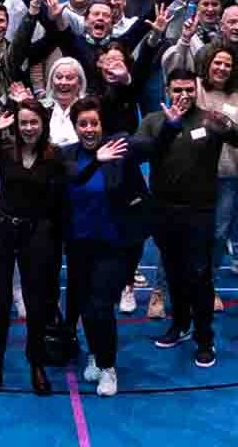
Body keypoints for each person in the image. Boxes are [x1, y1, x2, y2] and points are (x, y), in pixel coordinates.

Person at [135, 68, 238, 368]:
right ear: (167, 90)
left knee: (200, 277)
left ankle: (205, 338)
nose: (183, 95)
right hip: (163, 211)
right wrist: (167, 128)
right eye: (177, 90)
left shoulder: (210, 119)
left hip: (200, 212)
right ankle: (179, 324)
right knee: (173, 273)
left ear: (196, 89)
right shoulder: (153, 121)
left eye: (189, 89)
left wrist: (226, 124)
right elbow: (137, 152)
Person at [0, 99, 69, 397]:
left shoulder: (55, 157)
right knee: (0, 302)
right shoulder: (2, 149)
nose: (28, 128)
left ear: (43, 124)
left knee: (36, 303)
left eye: (33, 122)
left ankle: (35, 363)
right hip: (1, 230)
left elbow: (61, 201)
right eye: (23, 123)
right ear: (16, 124)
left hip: (37, 231)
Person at [63, 98, 157, 397]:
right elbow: (67, 183)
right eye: (83, 124)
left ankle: (108, 367)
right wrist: (95, 161)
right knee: (85, 307)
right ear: (74, 126)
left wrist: (171, 123)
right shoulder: (66, 156)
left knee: (100, 305)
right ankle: (93, 352)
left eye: (94, 123)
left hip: (114, 244)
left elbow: (150, 146)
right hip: (79, 245)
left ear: (103, 125)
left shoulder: (119, 147)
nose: (89, 129)